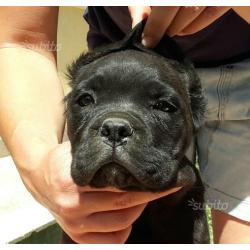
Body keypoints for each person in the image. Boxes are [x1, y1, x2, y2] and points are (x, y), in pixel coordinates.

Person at [0, 6, 249, 243]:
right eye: (85, 100)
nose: (115, 128)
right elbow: (22, 40)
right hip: (112, 60)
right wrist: (39, 164)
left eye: (164, 107)